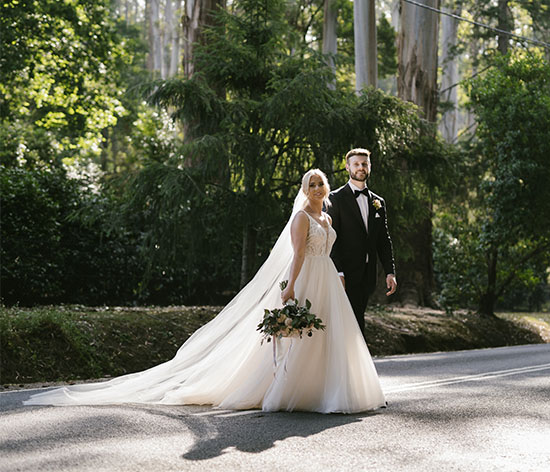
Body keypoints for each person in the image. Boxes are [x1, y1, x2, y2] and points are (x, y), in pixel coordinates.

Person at [24, 169, 385, 414]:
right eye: (312, 185)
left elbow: (327, 251)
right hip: (307, 278)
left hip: (328, 279)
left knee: (332, 336)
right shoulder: (301, 218)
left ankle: (331, 389)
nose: (319, 190)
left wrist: (337, 273)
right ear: (304, 192)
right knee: (302, 335)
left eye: (321, 184)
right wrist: (290, 287)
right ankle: (295, 390)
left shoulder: (328, 218)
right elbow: (300, 254)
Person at [326, 148, 397, 336]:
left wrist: (390, 272)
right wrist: (338, 271)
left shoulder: (378, 202)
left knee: (357, 316)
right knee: (352, 320)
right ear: (347, 167)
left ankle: (354, 362)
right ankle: (356, 362)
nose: (361, 168)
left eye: (364, 164)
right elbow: (331, 239)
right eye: (356, 164)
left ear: (370, 166)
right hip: (344, 274)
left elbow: (383, 239)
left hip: (367, 274)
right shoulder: (335, 198)